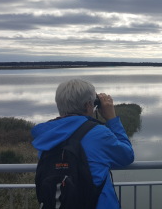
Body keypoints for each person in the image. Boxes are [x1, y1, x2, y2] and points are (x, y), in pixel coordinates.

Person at [31, 78, 134, 208]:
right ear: (88, 105)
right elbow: (126, 156)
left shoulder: (47, 134)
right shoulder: (98, 133)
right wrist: (112, 119)